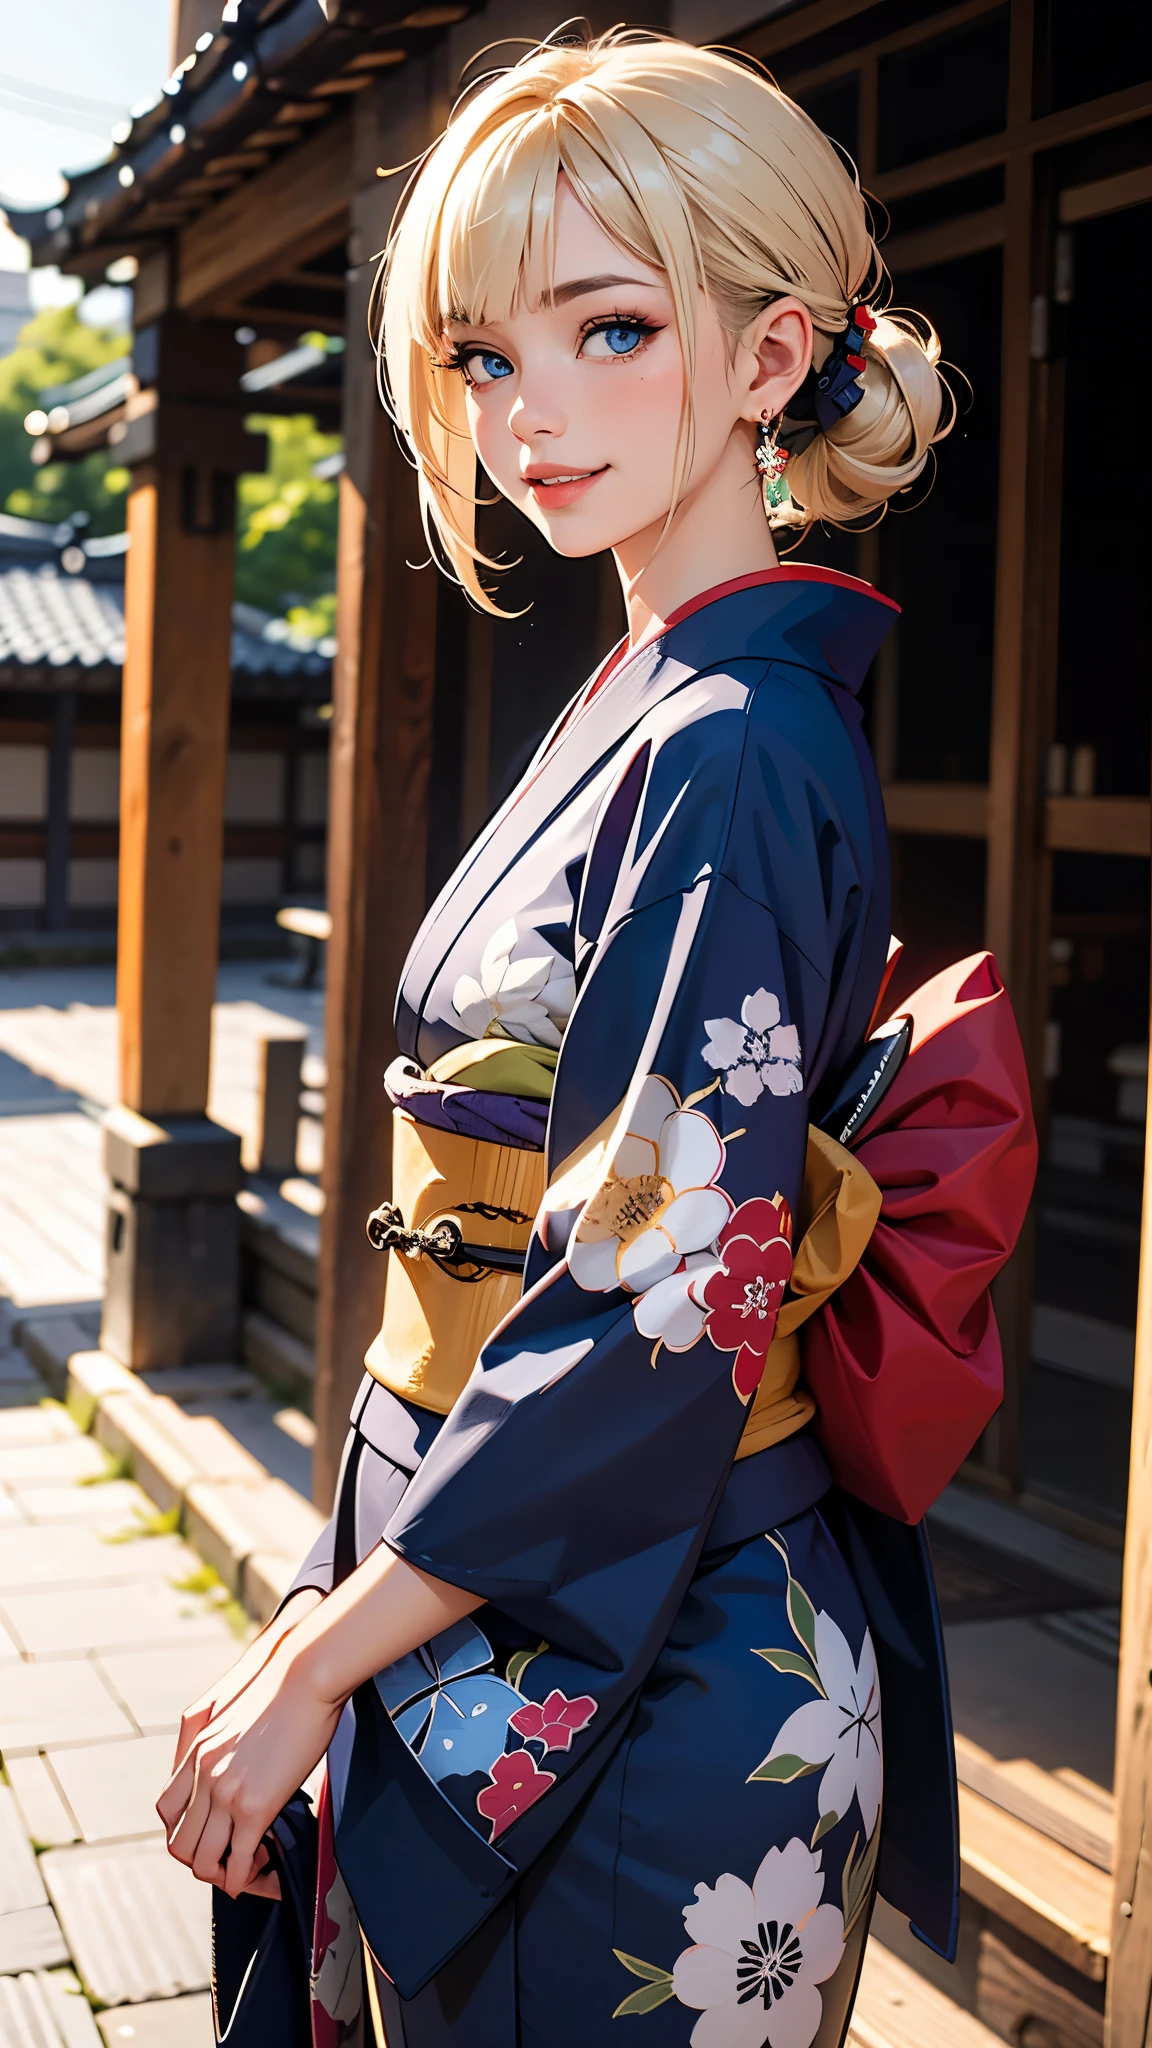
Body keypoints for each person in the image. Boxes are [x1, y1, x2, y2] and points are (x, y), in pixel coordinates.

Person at [158, 29, 1035, 2047]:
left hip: (652, 1661)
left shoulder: (730, 745)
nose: (532, 412)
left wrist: (313, 1662)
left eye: (611, 326)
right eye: (483, 354)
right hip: (527, 1569)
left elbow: (654, 1303)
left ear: (768, 354)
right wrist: (334, 1590)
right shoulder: (650, 698)